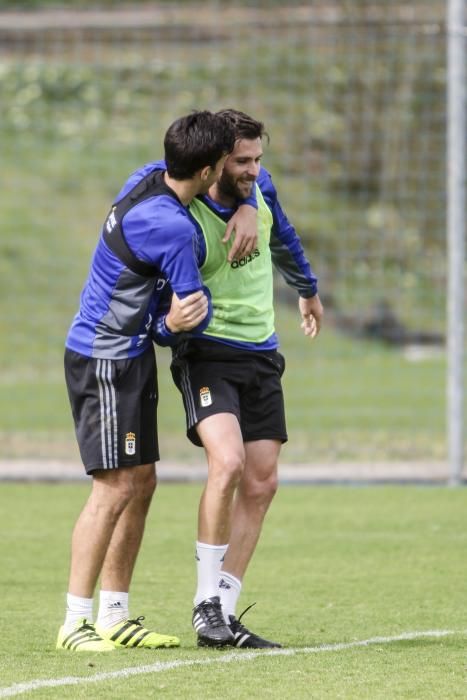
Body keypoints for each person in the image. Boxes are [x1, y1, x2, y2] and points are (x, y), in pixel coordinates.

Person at [57, 111, 244, 652]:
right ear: (209, 171)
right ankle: (75, 621)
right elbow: (189, 317)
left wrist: (251, 202)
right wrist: (168, 323)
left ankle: (116, 614)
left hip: (128, 357)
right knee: (113, 486)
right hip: (105, 359)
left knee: (141, 482)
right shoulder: (173, 228)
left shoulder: (147, 175)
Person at [154, 109, 323, 649]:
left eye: (257, 160)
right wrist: (166, 327)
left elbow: (286, 237)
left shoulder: (261, 187)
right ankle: (205, 602)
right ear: (212, 165)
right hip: (207, 354)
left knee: (263, 480)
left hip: (262, 354)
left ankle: (225, 610)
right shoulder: (181, 212)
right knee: (226, 461)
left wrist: (307, 289)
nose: (253, 169)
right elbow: (163, 293)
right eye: (242, 162)